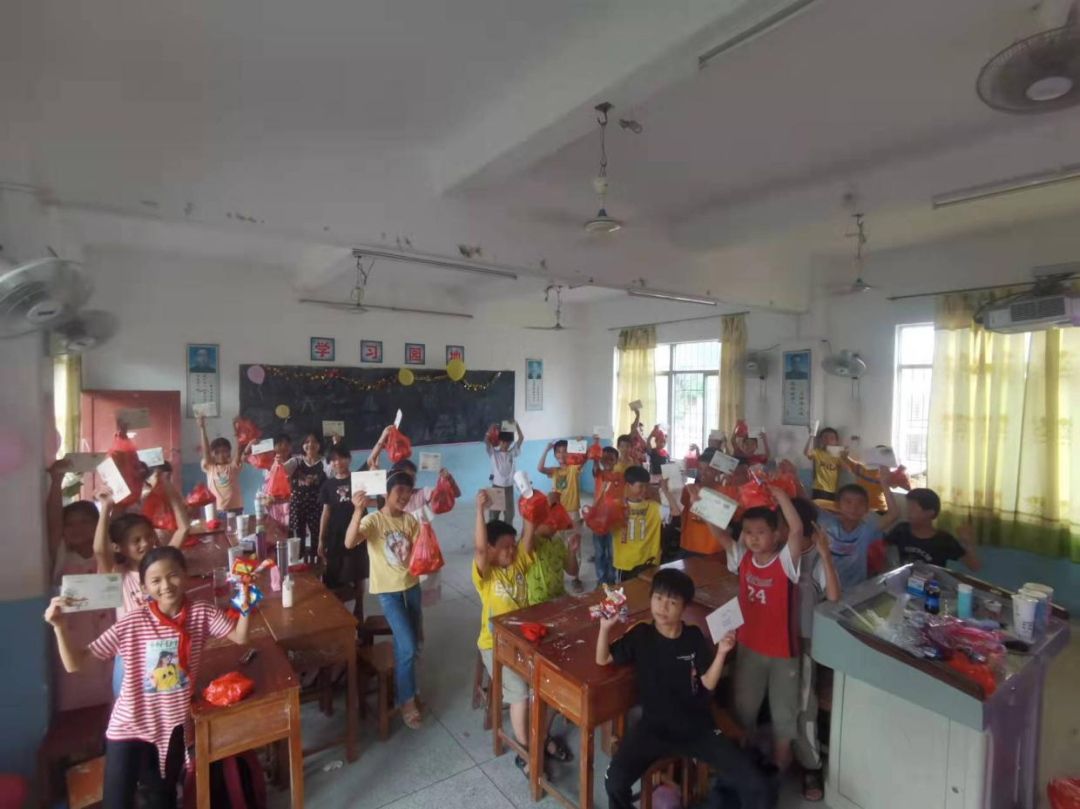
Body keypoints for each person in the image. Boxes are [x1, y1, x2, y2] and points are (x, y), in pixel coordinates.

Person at [45, 546, 249, 809]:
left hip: (171, 728)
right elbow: (75, 664)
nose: (166, 585)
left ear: (185, 575)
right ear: (144, 587)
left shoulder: (202, 613)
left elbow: (240, 637)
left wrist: (246, 603)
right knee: (116, 802)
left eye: (173, 575)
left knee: (161, 799)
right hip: (128, 726)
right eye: (156, 580)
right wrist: (60, 628)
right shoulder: (133, 622)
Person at [597, 569, 771, 809]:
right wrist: (605, 628)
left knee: (754, 781)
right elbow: (603, 659)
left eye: (672, 602)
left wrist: (722, 652)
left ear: (684, 607)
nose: (663, 607)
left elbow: (708, 683)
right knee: (614, 782)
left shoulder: (693, 636)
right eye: (658, 598)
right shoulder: (641, 634)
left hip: (697, 726)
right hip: (653, 727)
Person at [700, 486, 805, 774]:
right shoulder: (743, 559)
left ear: (776, 535)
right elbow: (720, 536)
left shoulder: (785, 562)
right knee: (744, 708)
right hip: (749, 646)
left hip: (783, 652)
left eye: (761, 532)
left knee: (784, 712)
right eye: (748, 532)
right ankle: (742, 767)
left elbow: (797, 529)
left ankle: (779, 767)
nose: (754, 538)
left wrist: (780, 496)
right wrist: (703, 505)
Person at [345, 470, 425, 729]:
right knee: (408, 646)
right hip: (388, 593)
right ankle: (407, 700)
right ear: (386, 493)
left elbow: (418, 554)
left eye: (408, 491)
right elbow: (349, 542)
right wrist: (358, 511)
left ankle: (407, 689)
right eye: (399, 490)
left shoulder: (410, 521)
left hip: (411, 588)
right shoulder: (374, 521)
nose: (405, 496)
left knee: (408, 645)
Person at [472, 490, 537, 773]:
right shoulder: (486, 574)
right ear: (490, 549)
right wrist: (479, 510)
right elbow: (479, 549)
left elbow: (529, 532)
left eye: (513, 546)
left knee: (547, 684)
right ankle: (525, 750)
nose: (511, 551)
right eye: (504, 547)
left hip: (524, 640)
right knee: (521, 693)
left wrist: (528, 500)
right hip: (494, 644)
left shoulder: (518, 562)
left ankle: (540, 737)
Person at [47, 459, 114, 711]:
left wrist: (107, 505)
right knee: (79, 701)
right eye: (70, 524)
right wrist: (56, 480)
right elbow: (53, 523)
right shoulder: (63, 558)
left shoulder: (107, 554)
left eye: (85, 521)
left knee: (112, 695)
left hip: (108, 635)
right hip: (75, 639)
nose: (76, 528)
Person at [788, 499, 841, 801]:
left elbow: (833, 597)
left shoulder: (816, 560)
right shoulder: (777, 551)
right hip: (775, 639)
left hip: (805, 641)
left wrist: (826, 555)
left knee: (805, 705)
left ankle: (811, 765)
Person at [817, 472, 901, 592]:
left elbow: (894, 513)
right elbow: (805, 503)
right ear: (837, 505)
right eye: (848, 502)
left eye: (860, 503)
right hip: (826, 588)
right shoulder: (826, 522)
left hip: (856, 589)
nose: (854, 508)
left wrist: (885, 484)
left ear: (867, 509)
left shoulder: (867, 529)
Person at [318, 444, 368, 624]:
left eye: (341, 458)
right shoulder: (328, 485)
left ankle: (359, 607)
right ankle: (338, 612)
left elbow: (374, 497)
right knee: (335, 571)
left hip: (358, 532)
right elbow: (326, 512)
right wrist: (321, 539)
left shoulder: (359, 480)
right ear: (329, 463)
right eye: (333, 459)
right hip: (336, 534)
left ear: (349, 458)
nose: (337, 462)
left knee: (358, 570)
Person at [886, 488, 981, 570]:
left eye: (913, 508)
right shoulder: (901, 530)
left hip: (932, 584)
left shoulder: (944, 540)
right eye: (908, 506)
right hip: (904, 581)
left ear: (930, 513)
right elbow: (882, 548)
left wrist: (968, 543)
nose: (908, 511)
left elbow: (974, 566)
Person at [613, 466, 680, 582]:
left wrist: (665, 490)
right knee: (626, 591)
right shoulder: (616, 507)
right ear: (628, 485)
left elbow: (676, 512)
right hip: (626, 563)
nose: (645, 490)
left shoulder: (653, 507)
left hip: (649, 562)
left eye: (647, 486)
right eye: (641, 486)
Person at [537, 439, 586, 592]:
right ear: (555, 455)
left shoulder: (573, 468)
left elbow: (583, 460)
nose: (562, 455)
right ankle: (559, 573)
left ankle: (575, 578)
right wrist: (547, 449)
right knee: (558, 543)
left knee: (574, 545)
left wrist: (579, 448)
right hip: (556, 512)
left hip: (572, 513)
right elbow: (540, 468)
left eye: (565, 451)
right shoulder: (554, 471)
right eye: (558, 452)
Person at [527, 492, 582, 606]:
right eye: (552, 523)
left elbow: (572, 571)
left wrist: (572, 552)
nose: (556, 527)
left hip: (559, 598)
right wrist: (545, 506)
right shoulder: (533, 542)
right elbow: (529, 524)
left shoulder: (557, 541)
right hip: (537, 605)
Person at [679, 447, 727, 557]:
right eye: (700, 469)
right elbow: (678, 512)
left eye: (708, 470)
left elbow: (724, 519)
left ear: (717, 471)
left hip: (713, 547)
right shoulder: (689, 489)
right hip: (690, 544)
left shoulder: (724, 491)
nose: (703, 474)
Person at [197, 415, 248, 514]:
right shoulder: (209, 467)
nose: (221, 455)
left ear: (229, 452)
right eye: (217, 452)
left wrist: (236, 430)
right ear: (212, 454)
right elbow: (206, 451)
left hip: (235, 508)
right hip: (215, 510)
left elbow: (239, 448)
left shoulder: (233, 466)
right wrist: (202, 428)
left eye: (224, 451)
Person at [289, 432, 327, 563]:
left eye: (314, 441)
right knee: (297, 537)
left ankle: (316, 564)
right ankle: (298, 564)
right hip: (297, 505)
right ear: (302, 445)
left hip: (317, 504)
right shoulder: (296, 461)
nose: (310, 445)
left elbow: (334, 475)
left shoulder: (324, 462)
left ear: (320, 445)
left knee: (317, 535)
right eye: (306, 442)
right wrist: (277, 461)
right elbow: (281, 470)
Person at [590, 445, 622, 586]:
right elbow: (595, 465)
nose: (607, 461)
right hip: (598, 519)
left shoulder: (620, 477)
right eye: (604, 458)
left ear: (616, 461)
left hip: (613, 520)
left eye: (611, 459)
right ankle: (601, 580)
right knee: (599, 552)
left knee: (612, 552)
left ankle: (611, 578)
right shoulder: (599, 474)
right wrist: (596, 453)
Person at [485, 421, 523, 523]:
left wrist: (516, 425)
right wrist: (490, 429)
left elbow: (521, 438)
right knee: (493, 515)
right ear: (499, 441)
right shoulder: (494, 454)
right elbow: (487, 440)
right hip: (496, 486)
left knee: (509, 514)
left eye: (508, 443)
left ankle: (507, 531)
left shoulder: (512, 453)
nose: (505, 445)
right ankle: (493, 531)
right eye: (503, 442)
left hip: (509, 487)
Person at [803, 427, 844, 502]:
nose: (828, 440)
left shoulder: (837, 455)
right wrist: (811, 436)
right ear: (820, 440)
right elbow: (806, 452)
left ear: (836, 441)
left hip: (832, 489)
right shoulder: (818, 452)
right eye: (825, 438)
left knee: (829, 508)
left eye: (832, 438)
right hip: (819, 488)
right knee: (818, 508)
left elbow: (847, 468)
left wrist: (837, 454)